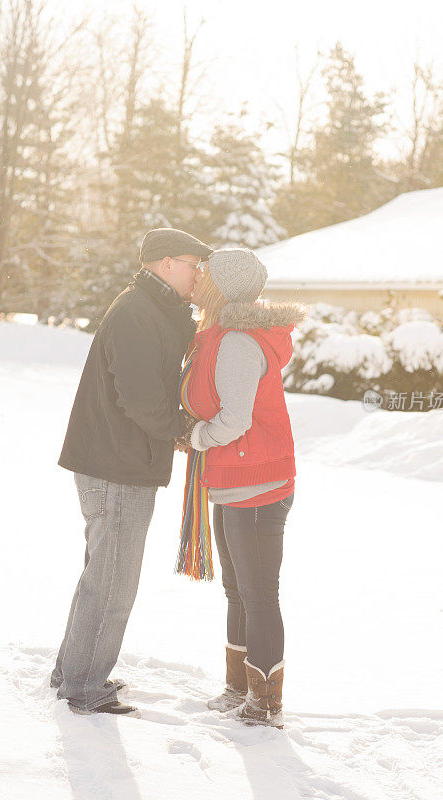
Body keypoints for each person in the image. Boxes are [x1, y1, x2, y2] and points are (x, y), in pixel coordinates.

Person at [50, 227, 212, 716]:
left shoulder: (153, 309)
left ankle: (73, 671)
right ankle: (84, 686)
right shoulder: (136, 314)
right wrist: (184, 431)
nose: (199, 275)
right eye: (192, 265)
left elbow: (179, 342)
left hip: (118, 461)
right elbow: (141, 398)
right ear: (165, 264)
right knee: (114, 579)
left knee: (103, 573)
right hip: (116, 466)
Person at [174, 248, 307, 729]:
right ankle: (238, 686)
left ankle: (265, 700)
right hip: (234, 480)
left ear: (221, 288)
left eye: (204, 275)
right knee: (237, 590)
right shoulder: (218, 335)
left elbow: (235, 419)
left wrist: (194, 438)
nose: (198, 280)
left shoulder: (236, 342)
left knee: (257, 593)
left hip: (259, 484)